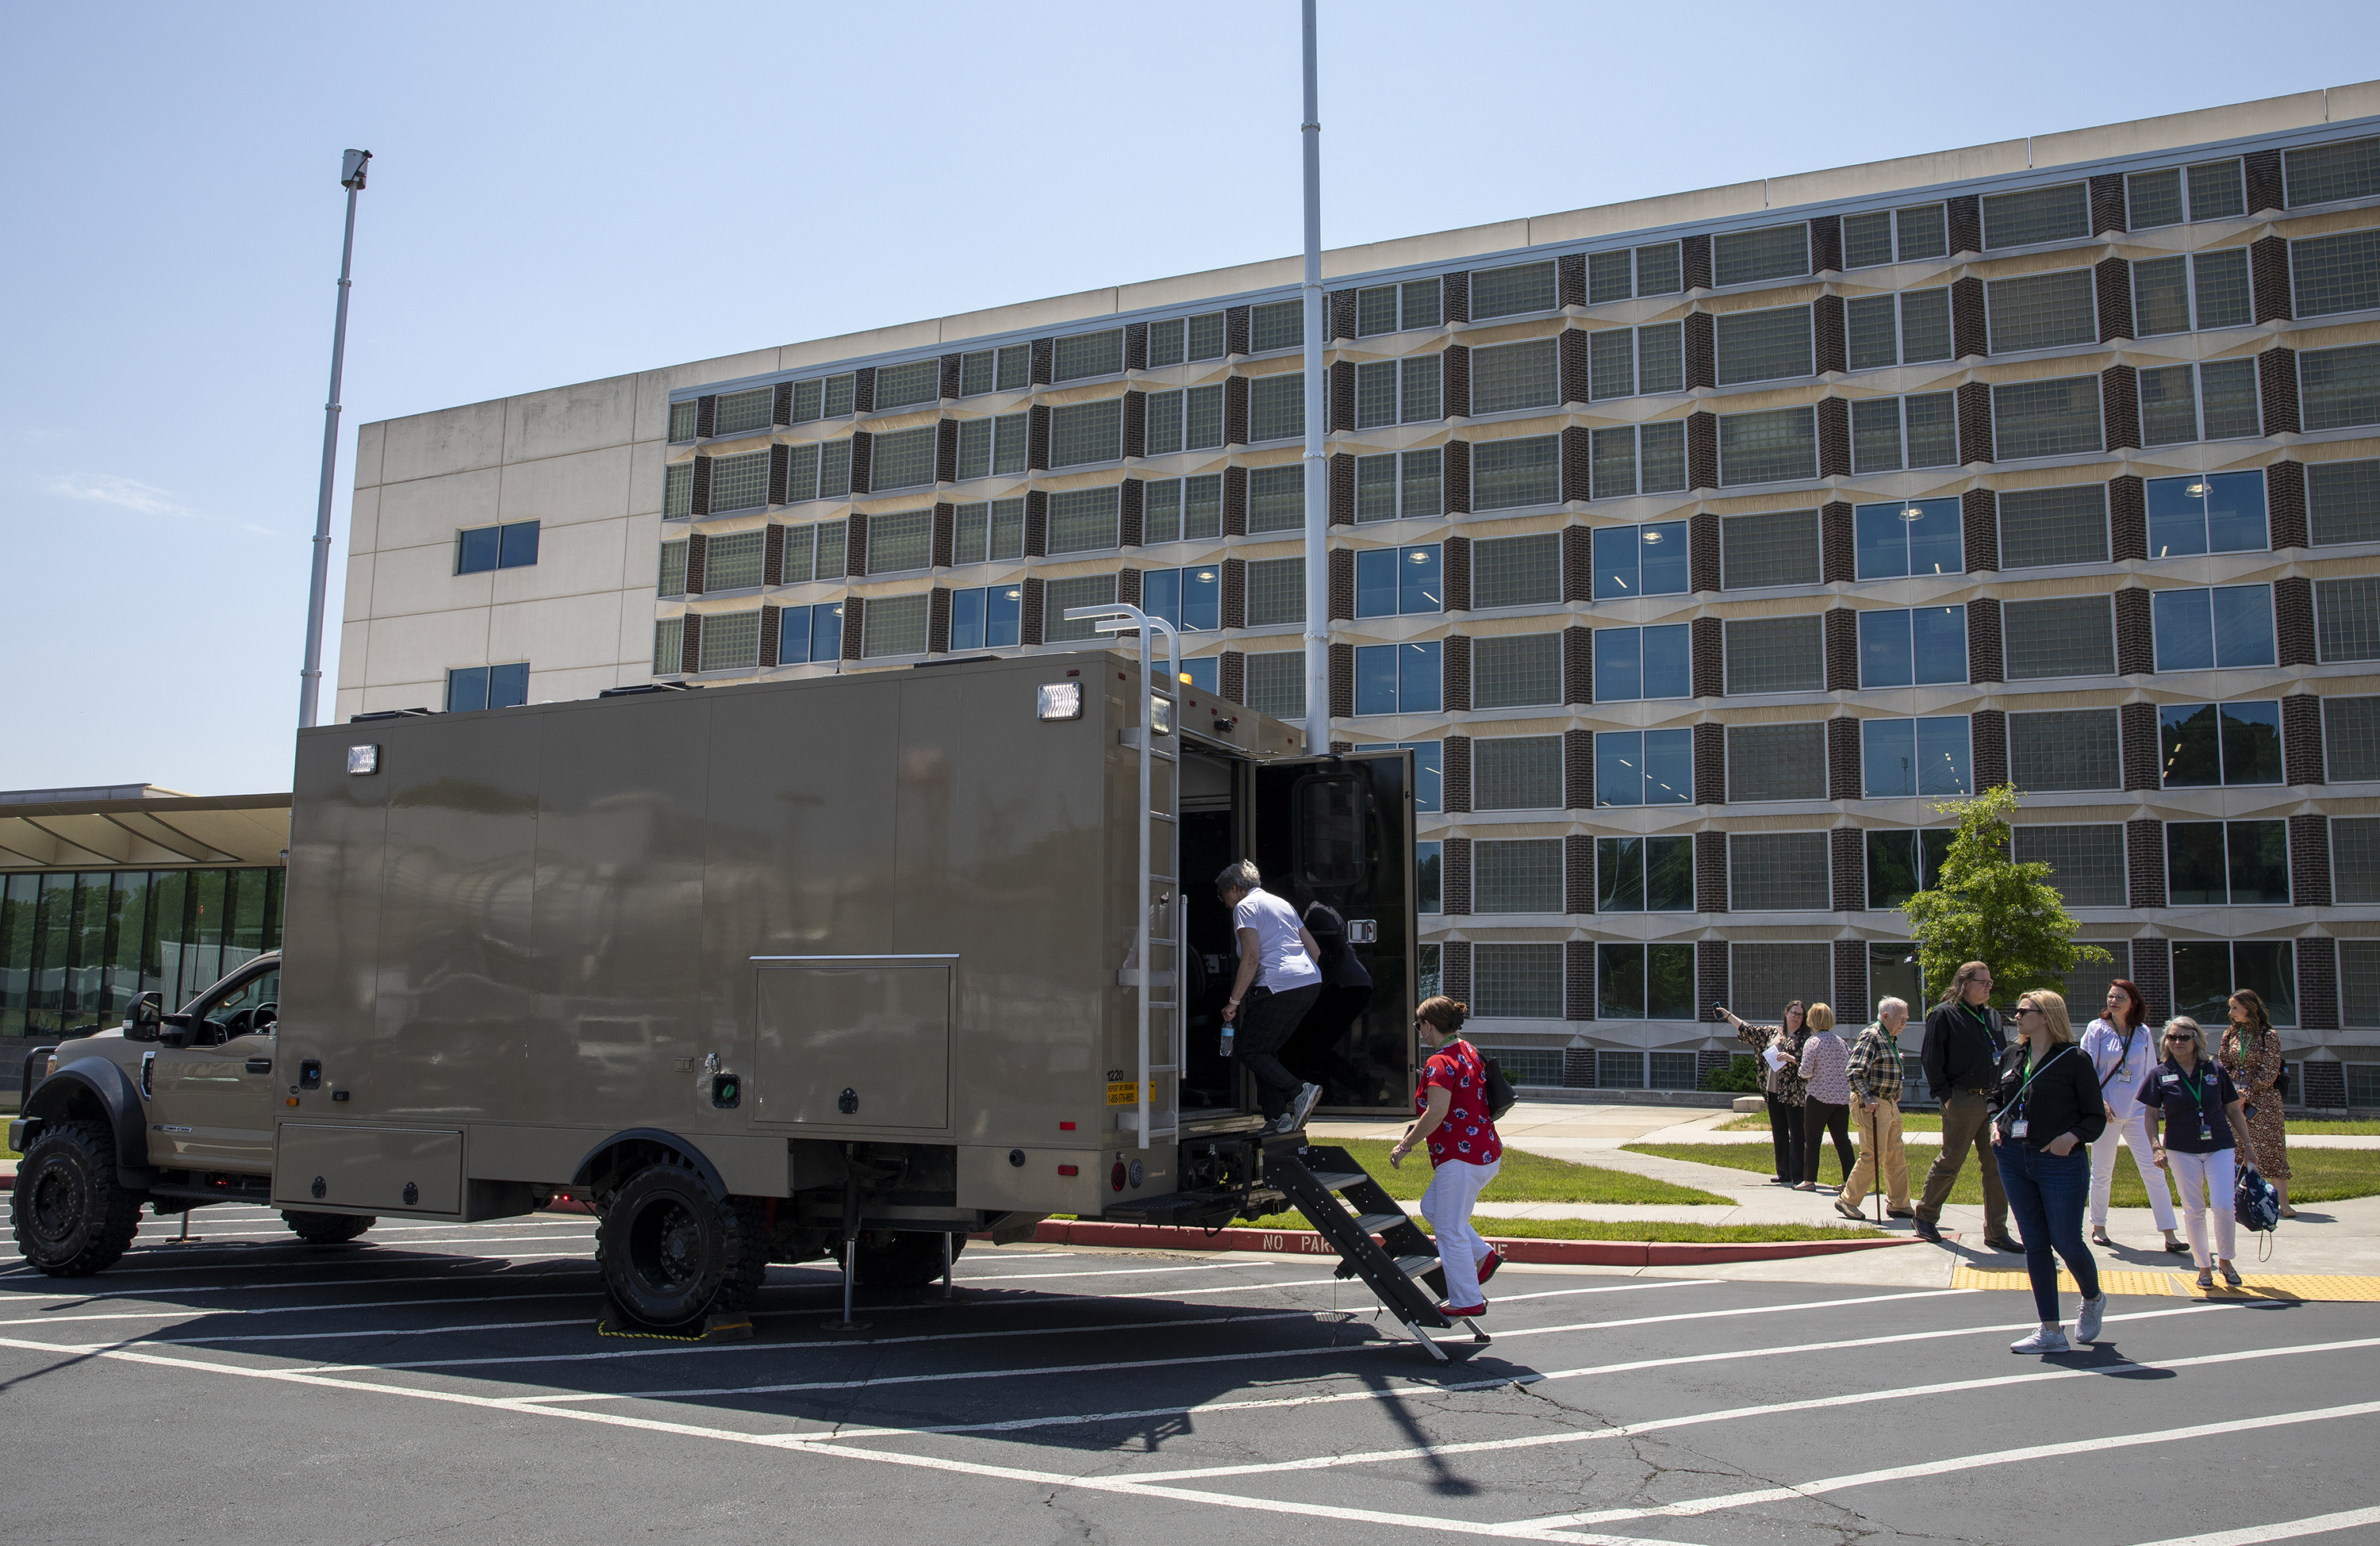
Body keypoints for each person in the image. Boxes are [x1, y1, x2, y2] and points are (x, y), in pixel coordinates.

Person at [1993, 990, 2109, 1353]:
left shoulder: (2074, 1060)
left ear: (2046, 1016)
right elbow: (1996, 1096)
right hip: (2013, 1156)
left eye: (2024, 1011)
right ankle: (2050, 1330)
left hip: (2059, 1160)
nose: (2017, 1017)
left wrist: (2071, 1137)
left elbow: (2094, 1116)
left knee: (2066, 1240)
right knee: (2035, 1245)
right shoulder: (2014, 1054)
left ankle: (2092, 1297)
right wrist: (1995, 1122)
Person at [1389, 996, 1504, 1318]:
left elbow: (1436, 1112)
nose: (1419, 1031)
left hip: (1460, 1160)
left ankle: (1468, 1299)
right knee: (1432, 1208)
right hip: (1484, 1152)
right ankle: (1483, 1256)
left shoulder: (1439, 1062)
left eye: (1419, 1025)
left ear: (1429, 1025)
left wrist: (1406, 1145)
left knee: (1450, 1230)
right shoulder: (1467, 1050)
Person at [2141, 1016, 2255, 1289]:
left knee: (2224, 1206)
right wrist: (2156, 1146)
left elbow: (2232, 1109)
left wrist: (2248, 1145)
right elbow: (2151, 1114)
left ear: (2196, 1040)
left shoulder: (2214, 1069)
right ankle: (2204, 1266)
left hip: (2219, 1145)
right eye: (2172, 1038)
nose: (2178, 1042)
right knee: (2193, 1210)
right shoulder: (2160, 1073)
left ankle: (2226, 1261)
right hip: (2182, 1148)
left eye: (2184, 1037)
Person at [1914, 961, 2019, 1252]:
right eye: (1982, 982)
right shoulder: (1944, 1014)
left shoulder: (1993, 1016)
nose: (1988, 987)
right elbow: (1932, 1059)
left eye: (1990, 982)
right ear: (1964, 983)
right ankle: (1925, 1216)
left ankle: (1997, 1230)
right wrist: (1946, 1096)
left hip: (1993, 1101)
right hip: (1961, 1098)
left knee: (1997, 1165)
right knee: (1952, 1160)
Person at [1215, 860, 1324, 1134]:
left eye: (1223, 896)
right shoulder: (1282, 904)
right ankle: (1278, 1119)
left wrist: (1234, 1001)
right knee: (1264, 1052)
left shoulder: (1244, 908)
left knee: (1248, 1049)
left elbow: (1252, 957)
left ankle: (1299, 1091)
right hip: (1309, 982)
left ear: (1234, 888)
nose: (1225, 904)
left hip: (1278, 985)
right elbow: (1315, 950)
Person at [2079, 978, 2186, 1253]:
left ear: (2133, 1003)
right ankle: (2099, 1226)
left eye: (2120, 997)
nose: (2113, 1001)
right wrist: (2099, 1102)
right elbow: (2086, 1071)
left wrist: (2154, 1107)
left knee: (2154, 1170)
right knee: (2102, 1171)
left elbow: (2152, 1072)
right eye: (2110, 996)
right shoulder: (2097, 1029)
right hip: (2107, 1113)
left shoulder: (2142, 1033)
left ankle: (2169, 1233)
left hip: (2138, 1112)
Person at [2217, 990, 2294, 1218]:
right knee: (2236, 1149)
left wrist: (2247, 1094)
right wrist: (2233, 1092)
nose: (2231, 1013)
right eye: (2230, 1008)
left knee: (2271, 1149)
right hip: (2233, 1099)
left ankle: (2283, 1203)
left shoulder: (2268, 1035)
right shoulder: (2230, 1034)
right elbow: (2223, 1065)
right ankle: (2239, 1200)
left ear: (2249, 1008)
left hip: (2263, 1100)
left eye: (2235, 1008)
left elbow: (2270, 1071)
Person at [1839, 997, 1914, 1221]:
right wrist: (1868, 1097)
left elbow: (1889, 1066)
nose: (1905, 1023)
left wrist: (1897, 1086)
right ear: (1885, 1017)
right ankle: (1847, 1200)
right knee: (1873, 1154)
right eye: (1901, 1019)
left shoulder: (1890, 1037)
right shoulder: (1872, 1035)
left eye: (1907, 1019)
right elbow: (1854, 1071)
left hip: (1888, 1102)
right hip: (1872, 1103)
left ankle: (1899, 1203)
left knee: (1895, 1154)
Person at [1718, 1001, 1807, 1186]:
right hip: (1774, 1091)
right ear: (1786, 1013)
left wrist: (1792, 1059)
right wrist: (1728, 1016)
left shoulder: (1806, 1037)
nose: (1797, 1017)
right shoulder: (1773, 1032)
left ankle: (1799, 1175)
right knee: (1779, 1132)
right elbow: (1749, 1030)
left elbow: (1810, 1062)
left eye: (1800, 1015)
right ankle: (1783, 1173)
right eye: (1794, 1013)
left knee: (1797, 1133)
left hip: (1794, 1092)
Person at [1792, 1003, 1854, 1192]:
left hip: (1819, 1096)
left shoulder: (1813, 1042)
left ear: (1812, 1020)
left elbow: (1805, 1071)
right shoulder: (1840, 1041)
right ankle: (1850, 1181)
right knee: (1842, 1140)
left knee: (1812, 1140)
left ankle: (1809, 1180)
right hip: (1841, 1098)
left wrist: (1799, 1067)